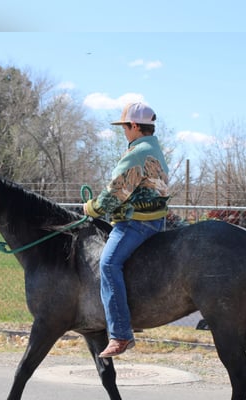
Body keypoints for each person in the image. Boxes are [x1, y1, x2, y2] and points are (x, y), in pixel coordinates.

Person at [83, 102, 170, 358]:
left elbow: (114, 195)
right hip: (156, 221)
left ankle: (120, 334)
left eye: (125, 127)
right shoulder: (154, 149)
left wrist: (91, 208)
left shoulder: (137, 153)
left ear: (134, 126)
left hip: (135, 223)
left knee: (108, 265)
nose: (124, 132)